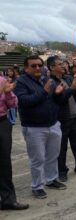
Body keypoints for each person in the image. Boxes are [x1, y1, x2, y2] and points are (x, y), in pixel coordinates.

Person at [14, 55, 67, 199]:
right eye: (33, 66)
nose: (38, 68)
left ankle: (51, 179)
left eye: (39, 65)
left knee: (53, 156)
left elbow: (59, 100)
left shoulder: (46, 79)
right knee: (38, 159)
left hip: (53, 124)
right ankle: (37, 186)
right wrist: (44, 91)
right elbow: (24, 101)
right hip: (34, 128)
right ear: (26, 68)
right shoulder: (21, 82)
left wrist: (60, 93)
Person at [46, 56, 76, 182]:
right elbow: (59, 100)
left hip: (75, 117)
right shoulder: (51, 82)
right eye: (60, 64)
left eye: (63, 64)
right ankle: (62, 171)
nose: (64, 66)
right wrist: (72, 88)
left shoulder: (67, 78)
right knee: (62, 147)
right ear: (52, 67)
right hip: (62, 119)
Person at [0, 76, 29, 210]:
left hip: (2, 123)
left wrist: (8, 92)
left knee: (4, 162)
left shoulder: (2, 80)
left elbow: (12, 104)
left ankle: (8, 200)